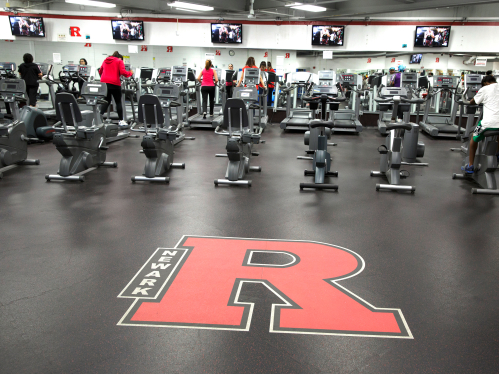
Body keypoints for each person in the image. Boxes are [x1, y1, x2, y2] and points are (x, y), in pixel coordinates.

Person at [461, 75, 499, 173]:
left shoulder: (484, 88)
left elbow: (473, 102)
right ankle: (497, 154)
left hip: (487, 123)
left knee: (473, 137)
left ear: (485, 83)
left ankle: (470, 165)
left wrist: (470, 101)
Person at [98, 51, 133, 127]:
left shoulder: (105, 60)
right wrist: (130, 73)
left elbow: (100, 71)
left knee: (106, 101)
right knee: (118, 102)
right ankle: (121, 120)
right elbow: (123, 72)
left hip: (104, 83)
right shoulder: (119, 61)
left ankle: (99, 118)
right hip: (114, 83)